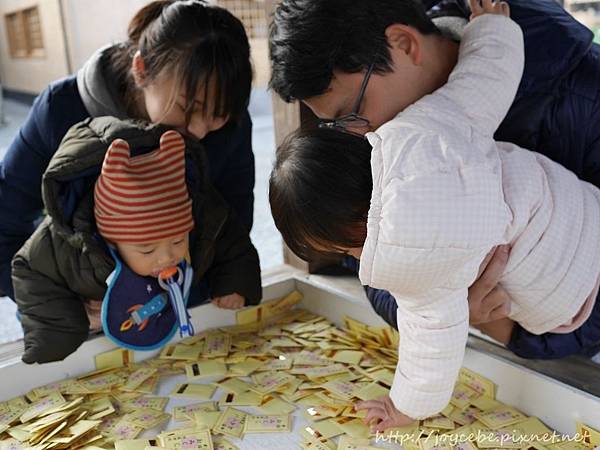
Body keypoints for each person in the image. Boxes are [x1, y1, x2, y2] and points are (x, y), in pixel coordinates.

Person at [269, 0, 600, 429]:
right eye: (335, 128)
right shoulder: (429, 121)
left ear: (403, 43)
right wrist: (495, 30)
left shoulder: (583, 95)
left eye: (352, 114)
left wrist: (500, 327)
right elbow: (383, 273)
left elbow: (426, 332)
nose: (360, 136)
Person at [0, 0, 255, 305]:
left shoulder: (230, 124)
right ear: (141, 70)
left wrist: (221, 284)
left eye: (218, 113)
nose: (200, 131)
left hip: (181, 297)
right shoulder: (60, 111)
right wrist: (61, 306)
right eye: (189, 108)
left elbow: (233, 221)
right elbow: (5, 230)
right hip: (82, 312)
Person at [12, 117, 262, 364]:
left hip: (174, 317)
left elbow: (231, 242)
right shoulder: (63, 244)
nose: (167, 257)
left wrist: (235, 284)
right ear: (110, 242)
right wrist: (69, 325)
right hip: (94, 328)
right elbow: (28, 273)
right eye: (147, 249)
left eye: (177, 241)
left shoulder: (203, 214)